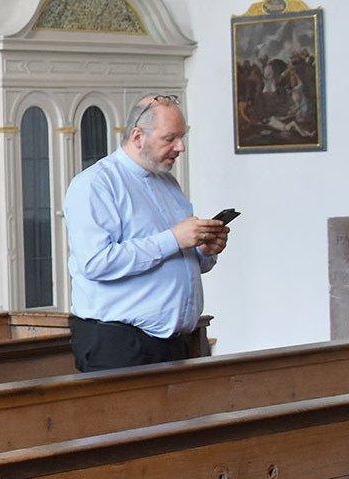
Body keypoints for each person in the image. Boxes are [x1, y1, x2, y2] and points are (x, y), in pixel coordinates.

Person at [64, 94, 228, 373]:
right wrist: (174, 238)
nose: (181, 147)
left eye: (182, 137)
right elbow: (95, 263)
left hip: (174, 343)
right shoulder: (95, 185)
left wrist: (204, 250)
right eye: (170, 138)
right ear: (138, 136)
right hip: (118, 344)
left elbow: (176, 256)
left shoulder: (169, 184)